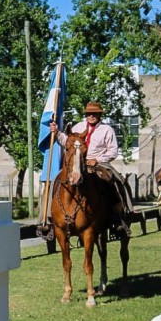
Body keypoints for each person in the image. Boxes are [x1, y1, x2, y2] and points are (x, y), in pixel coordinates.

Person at [49, 101, 133, 236]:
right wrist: (57, 132)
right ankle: (49, 219)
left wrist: (97, 160)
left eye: (95, 114)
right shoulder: (78, 126)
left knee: (114, 180)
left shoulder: (107, 130)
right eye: (89, 113)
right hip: (77, 162)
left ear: (99, 115)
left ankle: (118, 216)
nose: (91, 116)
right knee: (55, 181)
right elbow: (67, 142)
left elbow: (113, 151)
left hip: (99, 163)